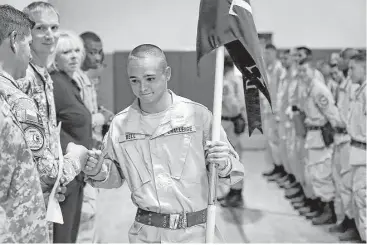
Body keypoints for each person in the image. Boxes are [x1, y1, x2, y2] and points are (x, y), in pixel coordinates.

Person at [83, 44, 245, 243]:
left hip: (196, 235)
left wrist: (224, 162)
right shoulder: (120, 125)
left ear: (167, 73)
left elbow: (233, 172)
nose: (142, 88)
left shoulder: (198, 117)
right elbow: (115, 177)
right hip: (147, 235)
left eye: (150, 79)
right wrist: (99, 172)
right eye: (135, 80)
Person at [0, 5, 48, 242]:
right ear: (14, 40)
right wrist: (77, 157)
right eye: (28, 44)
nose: (30, 55)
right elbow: (41, 170)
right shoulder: (14, 100)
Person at [49, 30, 93, 243]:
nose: (74, 56)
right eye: (66, 52)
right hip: (65, 173)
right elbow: (49, 125)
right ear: (55, 57)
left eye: (77, 50)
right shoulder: (56, 83)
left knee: (71, 234)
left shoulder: (71, 81)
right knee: (63, 236)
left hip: (78, 172)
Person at [297, 57, 345, 225]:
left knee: (322, 174)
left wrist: (338, 132)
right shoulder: (308, 88)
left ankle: (328, 212)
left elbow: (332, 113)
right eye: (300, 71)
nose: (302, 74)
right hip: (312, 136)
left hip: (321, 137)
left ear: (313, 71)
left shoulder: (319, 89)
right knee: (314, 174)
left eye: (305, 71)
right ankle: (320, 206)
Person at [74, 31, 108, 243]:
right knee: (85, 213)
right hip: (80, 156)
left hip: (92, 153)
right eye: (92, 52)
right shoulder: (74, 79)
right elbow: (80, 119)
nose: (97, 58)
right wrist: (101, 116)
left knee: (92, 208)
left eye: (100, 53)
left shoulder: (87, 79)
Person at [327, 49, 360, 238]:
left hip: (349, 140)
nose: (338, 60)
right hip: (339, 138)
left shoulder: (355, 86)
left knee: (349, 184)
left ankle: (355, 225)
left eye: (342, 57)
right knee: (340, 183)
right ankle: (346, 220)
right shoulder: (344, 83)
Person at [339, 52, 366, 242]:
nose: (349, 73)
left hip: (364, 152)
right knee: (358, 198)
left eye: (353, 68)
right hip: (357, 150)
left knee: (363, 199)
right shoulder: (359, 90)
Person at [218, 55, 246, 208]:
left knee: (232, 159)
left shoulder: (227, 82)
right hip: (231, 121)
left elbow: (234, 105)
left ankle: (236, 193)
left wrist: (235, 114)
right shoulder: (236, 79)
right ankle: (233, 191)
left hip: (229, 122)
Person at [261, 44, 287, 182]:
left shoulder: (279, 69)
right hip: (268, 111)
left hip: (276, 113)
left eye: (268, 54)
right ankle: (276, 167)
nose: (265, 56)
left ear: (274, 53)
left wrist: (278, 113)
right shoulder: (269, 70)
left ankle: (281, 169)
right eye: (264, 54)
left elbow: (281, 93)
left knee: (277, 142)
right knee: (271, 142)